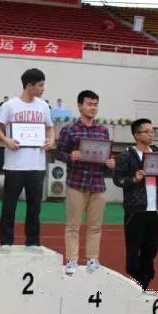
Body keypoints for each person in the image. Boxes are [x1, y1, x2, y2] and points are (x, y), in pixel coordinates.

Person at [0, 68, 55, 252]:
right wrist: (7, 140)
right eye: (40, 85)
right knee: (9, 205)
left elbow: (50, 127)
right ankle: (6, 241)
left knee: (34, 206)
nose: (43, 89)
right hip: (14, 165)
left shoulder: (43, 106)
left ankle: (33, 241)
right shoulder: (10, 106)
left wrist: (51, 140)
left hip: (37, 164)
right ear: (29, 86)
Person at [57, 90, 115, 274]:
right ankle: (72, 260)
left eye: (95, 104)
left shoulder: (103, 131)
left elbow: (108, 156)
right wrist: (69, 156)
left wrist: (110, 163)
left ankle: (92, 259)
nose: (93, 108)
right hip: (76, 183)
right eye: (89, 104)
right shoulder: (69, 130)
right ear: (80, 106)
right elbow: (58, 152)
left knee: (95, 226)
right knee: (73, 225)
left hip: (98, 184)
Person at [113, 119, 158, 292]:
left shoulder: (157, 153)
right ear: (136, 135)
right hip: (136, 209)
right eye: (147, 131)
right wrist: (134, 179)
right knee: (134, 250)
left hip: (155, 209)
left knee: (151, 249)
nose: (151, 134)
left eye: (152, 131)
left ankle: (146, 285)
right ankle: (137, 281)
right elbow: (118, 179)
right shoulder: (127, 155)